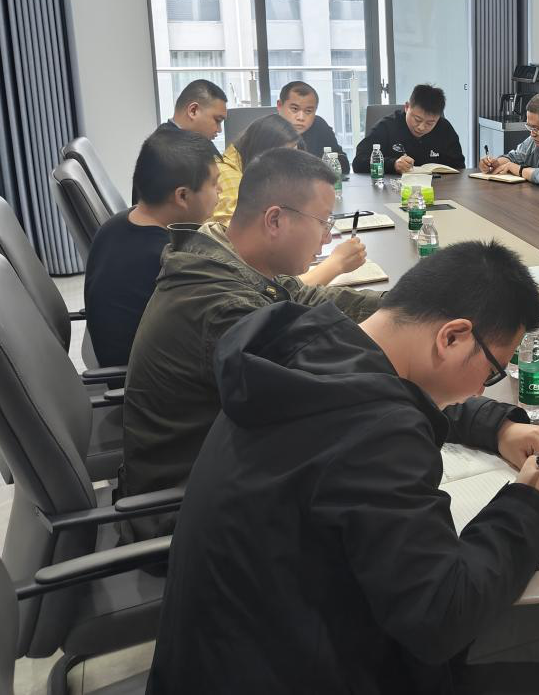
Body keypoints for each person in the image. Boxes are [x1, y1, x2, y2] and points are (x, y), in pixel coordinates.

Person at [148, 241, 539, 695]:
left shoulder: (299, 349)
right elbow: (441, 617)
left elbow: (391, 389)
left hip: (219, 660)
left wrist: (497, 427)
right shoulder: (377, 433)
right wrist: (531, 507)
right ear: (452, 337)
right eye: (492, 371)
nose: (480, 389)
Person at [120, 148, 378, 536]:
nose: (328, 236)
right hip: (186, 513)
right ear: (275, 220)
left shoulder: (225, 254)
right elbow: (328, 391)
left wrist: (407, 306)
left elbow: (306, 297)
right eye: (323, 222)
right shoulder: (225, 308)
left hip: (219, 469)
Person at [84, 129, 219, 367]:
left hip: (131, 363)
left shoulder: (114, 225)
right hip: (151, 380)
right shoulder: (170, 261)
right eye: (215, 183)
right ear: (182, 196)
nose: (220, 191)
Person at [210, 113, 302, 226]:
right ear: (262, 151)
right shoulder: (229, 176)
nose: (288, 165)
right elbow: (237, 230)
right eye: (284, 156)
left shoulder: (247, 171)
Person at [353, 84, 466, 174]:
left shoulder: (444, 128)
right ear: (407, 107)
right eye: (417, 119)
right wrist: (393, 164)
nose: (421, 127)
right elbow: (359, 162)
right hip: (394, 190)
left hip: (435, 189)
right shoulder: (386, 126)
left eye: (430, 123)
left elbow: (459, 167)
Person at [276, 79, 351, 172]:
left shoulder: (319, 125)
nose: (301, 117)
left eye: (308, 111)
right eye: (294, 109)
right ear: (279, 105)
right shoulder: (265, 129)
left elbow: (343, 164)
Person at [161, 79, 227, 141]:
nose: (219, 130)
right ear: (193, 111)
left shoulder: (159, 139)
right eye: (217, 120)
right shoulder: (193, 147)